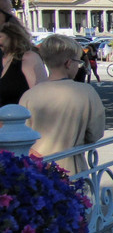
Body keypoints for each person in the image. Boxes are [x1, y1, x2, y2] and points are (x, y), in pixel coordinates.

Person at [19, 34, 105, 174]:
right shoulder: (86, 92)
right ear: (68, 63)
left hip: (37, 169)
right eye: (78, 62)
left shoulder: (29, 95)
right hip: (72, 167)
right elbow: (95, 133)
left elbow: (22, 135)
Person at [0, 20, 48, 106]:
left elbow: (40, 95)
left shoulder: (28, 58)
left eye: (0, 37)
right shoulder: (3, 58)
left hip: (20, 117)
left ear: (13, 36)